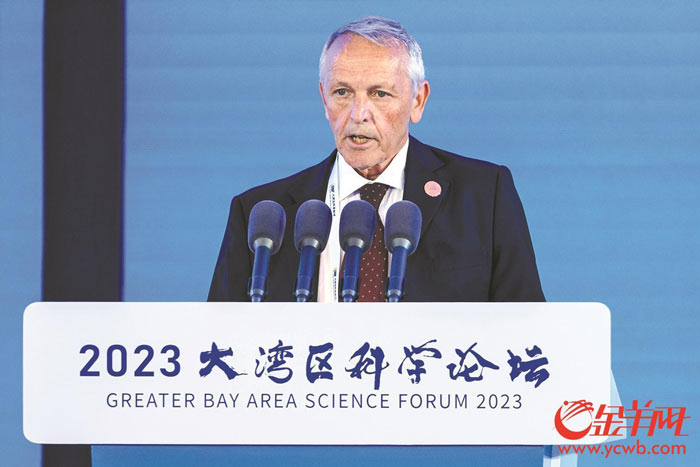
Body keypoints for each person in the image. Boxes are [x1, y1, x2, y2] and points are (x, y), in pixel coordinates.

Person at [208, 16, 544, 303]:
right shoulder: (262, 216)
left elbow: (529, 331)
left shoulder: (485, 197)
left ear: (418, 101)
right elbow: (217, 341)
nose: (358, 114)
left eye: (379, 93)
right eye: (342, 93)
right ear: (324, 99)